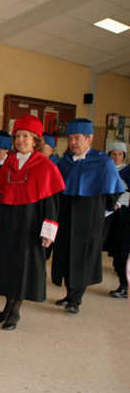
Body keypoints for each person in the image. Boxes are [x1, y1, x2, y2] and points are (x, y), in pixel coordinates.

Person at [0, 115, 65, 330]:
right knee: (6, 266)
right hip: (6, 224)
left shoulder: (45, 167)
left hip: (29, 226)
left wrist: (48, 231)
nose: (21, 140)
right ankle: (7, 303)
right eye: (18, 136)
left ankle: (15, 310)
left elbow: (51, 203)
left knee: (22, 268)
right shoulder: (7, 164)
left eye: (26, 136)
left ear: (35, 140)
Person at [51, 119, 125, 314]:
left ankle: (76, 299)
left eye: (78, 138)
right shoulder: (65, 162)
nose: (73, 142)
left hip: (89, 218)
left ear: (89, 138)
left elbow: (114, 191)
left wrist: (105, 210)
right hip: (66, 216)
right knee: (66, 254)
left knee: (82, 257)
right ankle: (68, 293)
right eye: (71, 138)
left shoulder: (103, 162)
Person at [103, 141, 129, 298]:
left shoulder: (127, 171)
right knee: (113, 248)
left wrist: (119, 202)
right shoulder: (106, 169)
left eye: (120, 154)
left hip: (123, 214)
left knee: (122, 250)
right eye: (113, 154)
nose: (117, 157)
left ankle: (124, 285)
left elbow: (127, 191)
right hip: (108, 213)